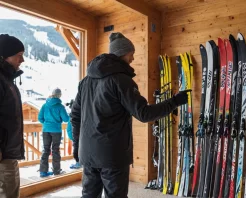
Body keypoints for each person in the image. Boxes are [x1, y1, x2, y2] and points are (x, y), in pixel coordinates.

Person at [71, 32, 189, 198]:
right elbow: (144, 113)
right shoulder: (121, 80)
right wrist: (174, 101)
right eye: (131, 55)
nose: (132, 59)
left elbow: (75, 116)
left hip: (88, 153)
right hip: (112, 155)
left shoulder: (85, 81)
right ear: (122, 54)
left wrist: (77, 144)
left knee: (89, 196)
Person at [0, 34, 25, 198]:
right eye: (19, 56)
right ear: (4, 56)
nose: (22, 60)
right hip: (3, 155)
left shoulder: (7, 80)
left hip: (8, 152)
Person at [38, 88, 69, 177]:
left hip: (46, 130)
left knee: (45, 150)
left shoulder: (45, 105)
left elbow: (40, 118)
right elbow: (66, 119)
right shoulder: (60, 106)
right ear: (59, 95)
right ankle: (56, 171)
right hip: (56, 131)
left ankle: (43, 172)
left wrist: (47, 124)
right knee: (55, 150)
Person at [65, 100, 80, 169]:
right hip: (83, 135)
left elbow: (69, 129)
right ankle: (81, 162)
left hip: (76, 135)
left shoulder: (71, 116)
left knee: (76, 147)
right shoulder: (82, 113)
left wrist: (71, 137)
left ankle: (78, 162)